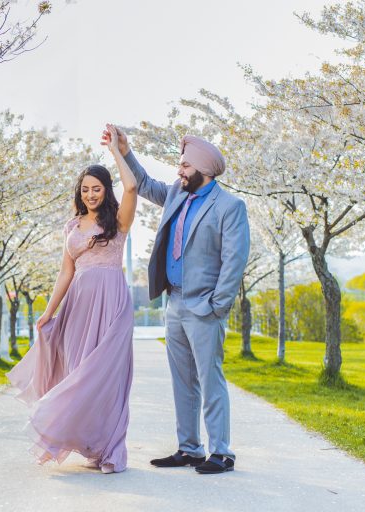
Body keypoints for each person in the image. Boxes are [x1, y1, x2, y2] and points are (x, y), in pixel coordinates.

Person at [104, 126, 249, 474]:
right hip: (175, 303)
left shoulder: (229, 207)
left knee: (210, 380)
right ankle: (190, 448)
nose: (179, 171)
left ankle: (222, 452)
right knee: (182, 381)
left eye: (185, 166)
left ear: (205, 171)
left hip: (204, 309)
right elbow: (145, 183)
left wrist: (217, 306)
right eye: (180, 165)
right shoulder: (177, 194)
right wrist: (124, 152)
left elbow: (234, 261)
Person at [6, 124, 137, 474]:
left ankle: (110, 450)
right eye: (86, 189)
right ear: (79, 193)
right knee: (78, 372)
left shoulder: (119, 221)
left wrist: (117, 153)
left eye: (97, 188)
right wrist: (49, 312)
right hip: (78, 305)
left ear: (106, 190)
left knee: (104, 376)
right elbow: (66, 272)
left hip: (112, 303)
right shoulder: (71, 227)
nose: (92, 194)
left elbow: (133, 185)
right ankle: (88, 442)